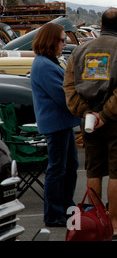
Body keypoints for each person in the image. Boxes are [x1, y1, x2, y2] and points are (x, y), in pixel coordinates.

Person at [63, 8, 117, 239]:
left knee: (94, 170)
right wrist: (105, 116)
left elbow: (69, 86)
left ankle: (96, 222)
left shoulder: (79, 50)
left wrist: (88, 112)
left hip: (89, 121)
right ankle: (114, 224)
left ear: (101, 24)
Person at [30, 23, 81, 228]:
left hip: (62, 123)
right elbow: (64, 96)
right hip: (56, 124)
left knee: (69, 167)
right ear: (51, 41)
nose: (64, 42)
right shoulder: (44, 65)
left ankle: (66, 208)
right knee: (58, 169)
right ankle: (53, 214)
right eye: (61, 39)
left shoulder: (50, 62)